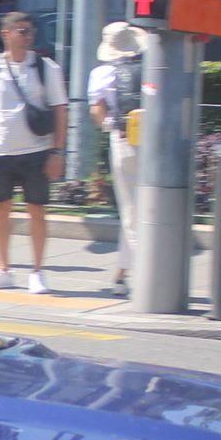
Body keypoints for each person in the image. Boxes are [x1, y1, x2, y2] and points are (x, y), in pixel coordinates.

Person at [0, 10, 66, 293]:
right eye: (23, 31)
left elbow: (60, 112)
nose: (29, 36)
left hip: (37, 151)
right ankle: (2, 268)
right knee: (0, 211)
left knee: (37, 210)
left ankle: (37, 270)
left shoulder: (47, 68)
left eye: (31, 31)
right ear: (6, 34)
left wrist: (58, 152)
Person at [88, 21, 151, 298]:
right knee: (148, 209)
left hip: (126, 141)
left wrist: (111, 126)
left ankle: (148, 274)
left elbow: (97, 111)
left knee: (131, 212)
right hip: (158, 145)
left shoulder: (103, 72)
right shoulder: (152, 67)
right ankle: (121, 275)